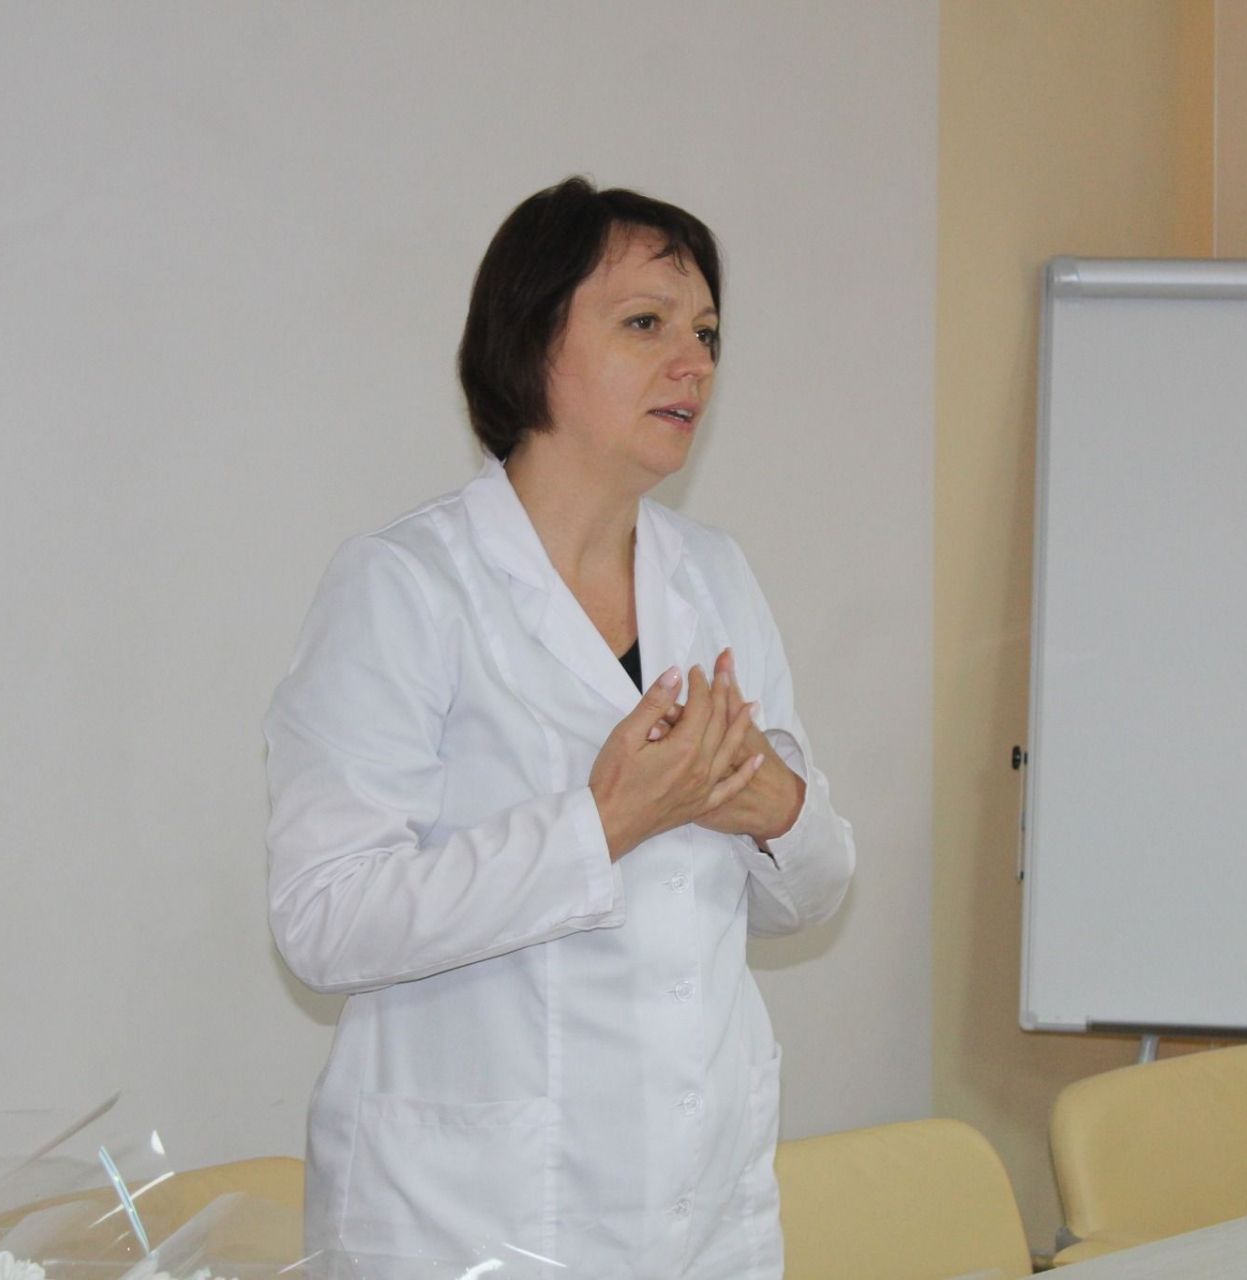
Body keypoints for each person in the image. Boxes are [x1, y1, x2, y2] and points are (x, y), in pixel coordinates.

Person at [264, 177, 855, 1278]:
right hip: (469, 1220)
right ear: (534, 341)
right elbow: (323, 918)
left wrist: (776, 806)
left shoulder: (715, 577)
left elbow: (805, 896)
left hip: (700, 1213)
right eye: (646, 323)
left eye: (707, 334)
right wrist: (601, 824)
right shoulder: (407, 585)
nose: (693, 363)